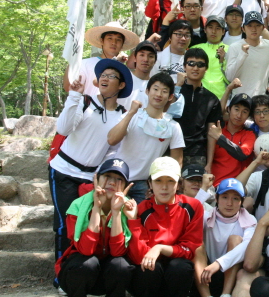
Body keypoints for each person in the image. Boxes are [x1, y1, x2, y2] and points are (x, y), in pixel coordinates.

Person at [50, 59, 133, 268]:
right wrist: (74, 96)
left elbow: (113, 150)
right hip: (63, 170)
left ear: (121, 85)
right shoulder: (85, 102)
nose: (105, 79)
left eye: (111, 76)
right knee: (63, 224)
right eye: (103, 75)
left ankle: (80, 270)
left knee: (85, 222)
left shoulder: (122, 115)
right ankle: (61, 273)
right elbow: (63, 128)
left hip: (90, 178)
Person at [55, 158, 135, 297]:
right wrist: (97, 208)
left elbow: (118, 252)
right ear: (96, 179)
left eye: (119, 179)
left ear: (125, 187)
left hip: (108, 275)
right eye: (107, 176)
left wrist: (116, 212)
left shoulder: (129, 208)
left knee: (120, 265)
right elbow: (86, 250)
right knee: (87, 263)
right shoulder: (78, 206)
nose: (112, 182)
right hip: (80, 271)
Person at [126, 157, 204, 297]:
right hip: (151, 273)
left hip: (176, 271)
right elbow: (138, 257)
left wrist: (160, 248)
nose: (164, 187)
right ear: (150, 183)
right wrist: (133, 221)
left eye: (170, 181)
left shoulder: (192, 206)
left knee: (180, 267)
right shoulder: (141, 209)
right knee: (149, 267)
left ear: (179, 184)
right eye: (158, 181)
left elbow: (190, 250)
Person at [107, 73, 185, 203]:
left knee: (141, 215)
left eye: (164, 91)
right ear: (147, 91)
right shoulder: (133, 115)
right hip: (118, 176)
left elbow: (177, 162)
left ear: (170, 97)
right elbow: (112, 139)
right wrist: (131, 113)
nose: (159, 94)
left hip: (144, 184)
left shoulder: (173, 126)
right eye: (155, 89)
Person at [194, 179, 257, 297]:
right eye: (225, 197)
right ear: (216, 198)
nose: (229, 203)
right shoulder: (206, 216)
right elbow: (190, 213)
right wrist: (204, 188)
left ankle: (225, 294)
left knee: (235, 240)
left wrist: (218, 264)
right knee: (196, 243)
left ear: (241, 201)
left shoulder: (250, 220)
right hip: (204, 272)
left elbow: (247, 246)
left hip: (231, 274)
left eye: (235, 198)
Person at [174, 48, 223, 167]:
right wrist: (178, 85)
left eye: (200, 65)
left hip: (197, 154)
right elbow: (165, 113)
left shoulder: (211, 99)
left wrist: (209, 163)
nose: (195, 68)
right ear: (184, 66)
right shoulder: (173, 91)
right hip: (171, 148)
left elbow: (211, 133)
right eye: (191, 63)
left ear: (206, 68)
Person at [62, 21, 139, 99]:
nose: (114, 42)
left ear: (122, 44)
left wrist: (116, 62)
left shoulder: (124, 71)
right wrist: (72, 61)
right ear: (102, 41)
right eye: (110, 38)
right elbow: (69, 87)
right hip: (90, 106)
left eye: (118, 40)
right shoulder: (84, 64)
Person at [225, 11, 269, 99]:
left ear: (263, 28)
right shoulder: (234, 47)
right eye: (249, 26)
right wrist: (242, 54)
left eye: (257, 25)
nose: (254, 29)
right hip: (240, 99)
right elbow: (230, 77)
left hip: (261, 99)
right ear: (243, 29)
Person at [207, 93, 256, 186]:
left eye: (244, 112)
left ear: (248, 116)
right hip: (212, 186)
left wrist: (220, 138)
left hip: (236, 187)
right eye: (236, 109)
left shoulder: (249, 134)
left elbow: (242, 154)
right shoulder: (217, 128)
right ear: (229, 109)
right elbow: (216, 113)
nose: (239, 115)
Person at [191, 15, 229, 100]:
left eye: (218, 28)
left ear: (223, 31)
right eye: (210, 27)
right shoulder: (195, 49)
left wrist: (223, 61)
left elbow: (231, 77)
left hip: (222, 96)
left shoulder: (230, 50)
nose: (213, 31)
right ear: (205, 30)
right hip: (199, 95)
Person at [122, 41, 159, 110]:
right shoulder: (123, 78)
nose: (146, 59)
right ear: (135, 58)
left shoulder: (156, 86)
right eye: (142, 55)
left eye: (150, 56)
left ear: (155, 61)